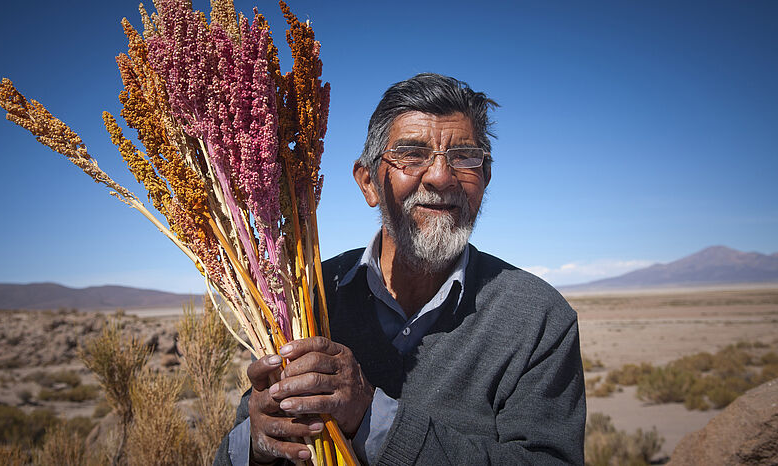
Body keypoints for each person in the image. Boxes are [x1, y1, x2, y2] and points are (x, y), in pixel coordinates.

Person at [214, 73, 586, 465]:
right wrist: (255, 447)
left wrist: (373, 420)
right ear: (368, 182)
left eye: (464, 157)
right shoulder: (302, 294)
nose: (441, 177)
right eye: (411, 153)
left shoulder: (537, 316)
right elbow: (235, 452)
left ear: (485, 178)